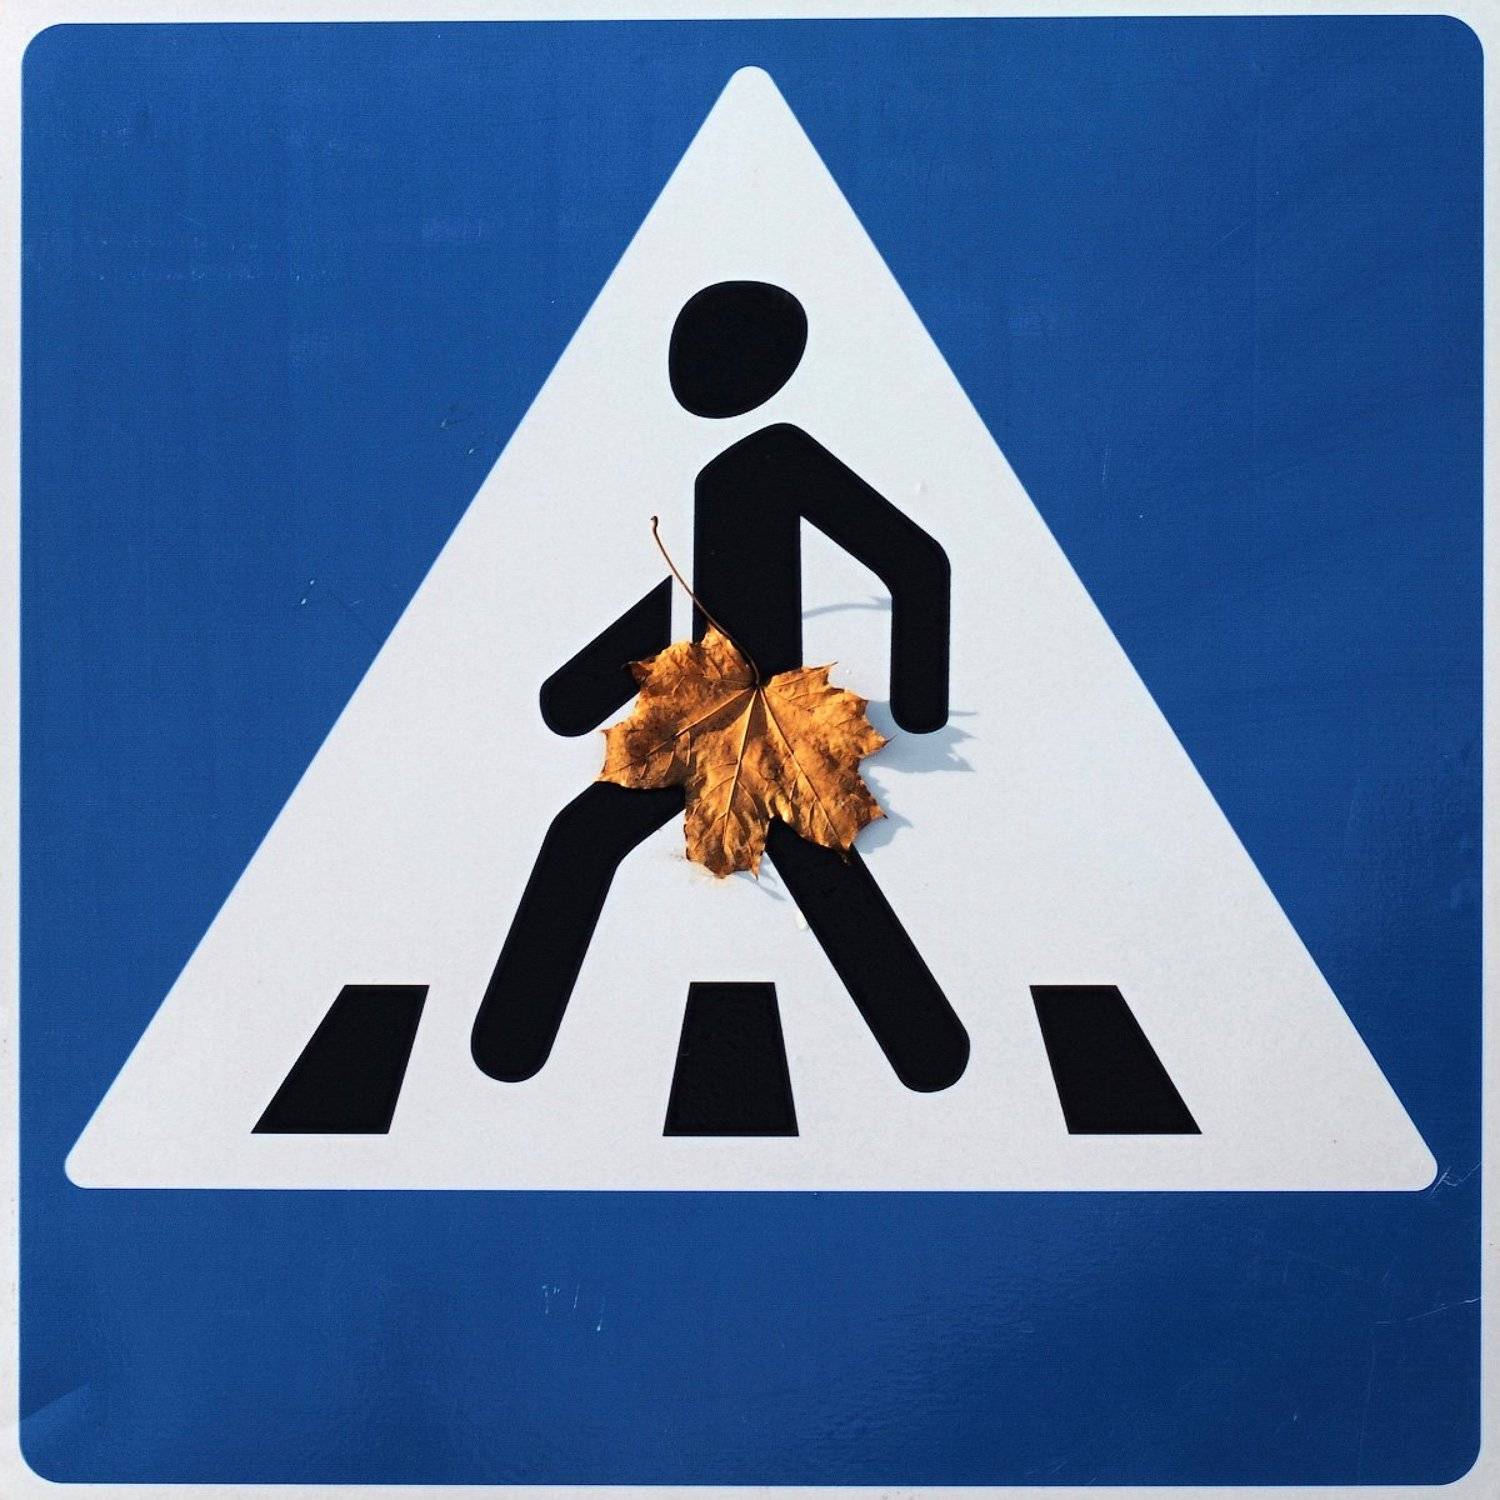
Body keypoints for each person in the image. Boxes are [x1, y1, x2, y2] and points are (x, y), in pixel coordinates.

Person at [471, 281, 969, 1093]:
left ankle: (930, 1051)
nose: (685, 371)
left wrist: (921, 702)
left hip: (771, 721)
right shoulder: (696, 481)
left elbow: (915, 561)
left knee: (814, 861)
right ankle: (506, 1050)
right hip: (701, 720)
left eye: (704, 351)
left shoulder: (779, 455)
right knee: (587, 840)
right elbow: (680, 607)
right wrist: (579, 690)